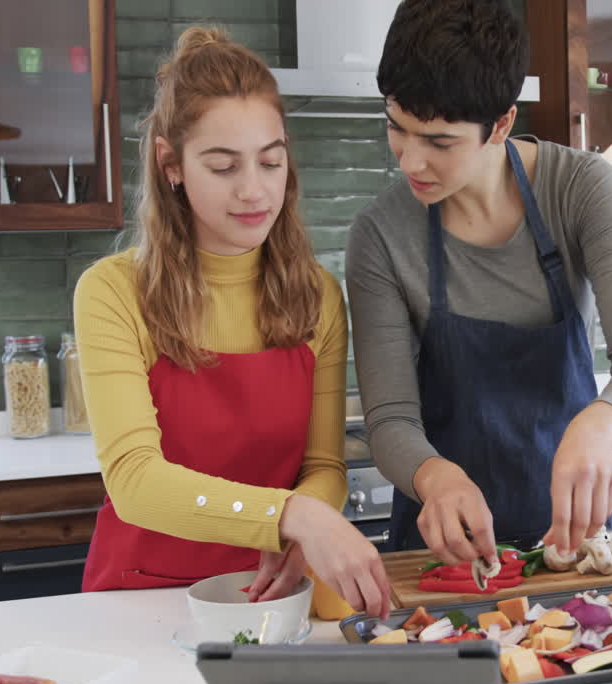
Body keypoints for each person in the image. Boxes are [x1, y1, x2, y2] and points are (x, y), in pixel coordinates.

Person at [75, 27, 389, 618]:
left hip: (270, 598)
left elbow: (322, 467)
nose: (254, 191)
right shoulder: (113, 293)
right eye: (223, 167)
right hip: (144, 598)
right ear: (172, 164)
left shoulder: (317, 296)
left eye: (271, 162)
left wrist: (303, 530)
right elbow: (135, 481)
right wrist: (291, 517)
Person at [347, 0, 612, 566]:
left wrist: (600, 427)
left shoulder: (583, 190)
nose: (410, 161)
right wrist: (435, 477)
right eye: (398, 128)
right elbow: (391, 419)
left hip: (576, 544)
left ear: (501, 124)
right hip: (442, 555)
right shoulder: (381, 234)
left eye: (440, 142)